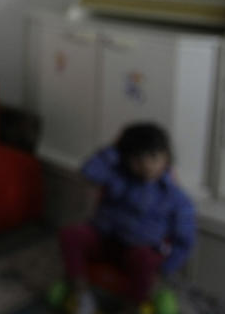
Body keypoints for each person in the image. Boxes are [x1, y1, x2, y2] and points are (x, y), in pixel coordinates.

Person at [58, 122, 195, 314]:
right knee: (71, 235)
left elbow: (184, 239)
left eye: (154, 157)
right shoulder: (119, 178)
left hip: (139, 250)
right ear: (126, 159)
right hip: (105, 239)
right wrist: (114, 148)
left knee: (145, 259)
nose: (147, 165)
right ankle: (81, 292)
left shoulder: (175, 197)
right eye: (138, 159)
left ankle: (132, 306)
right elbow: (89, 171)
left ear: (166, 158)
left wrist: (165, 269)